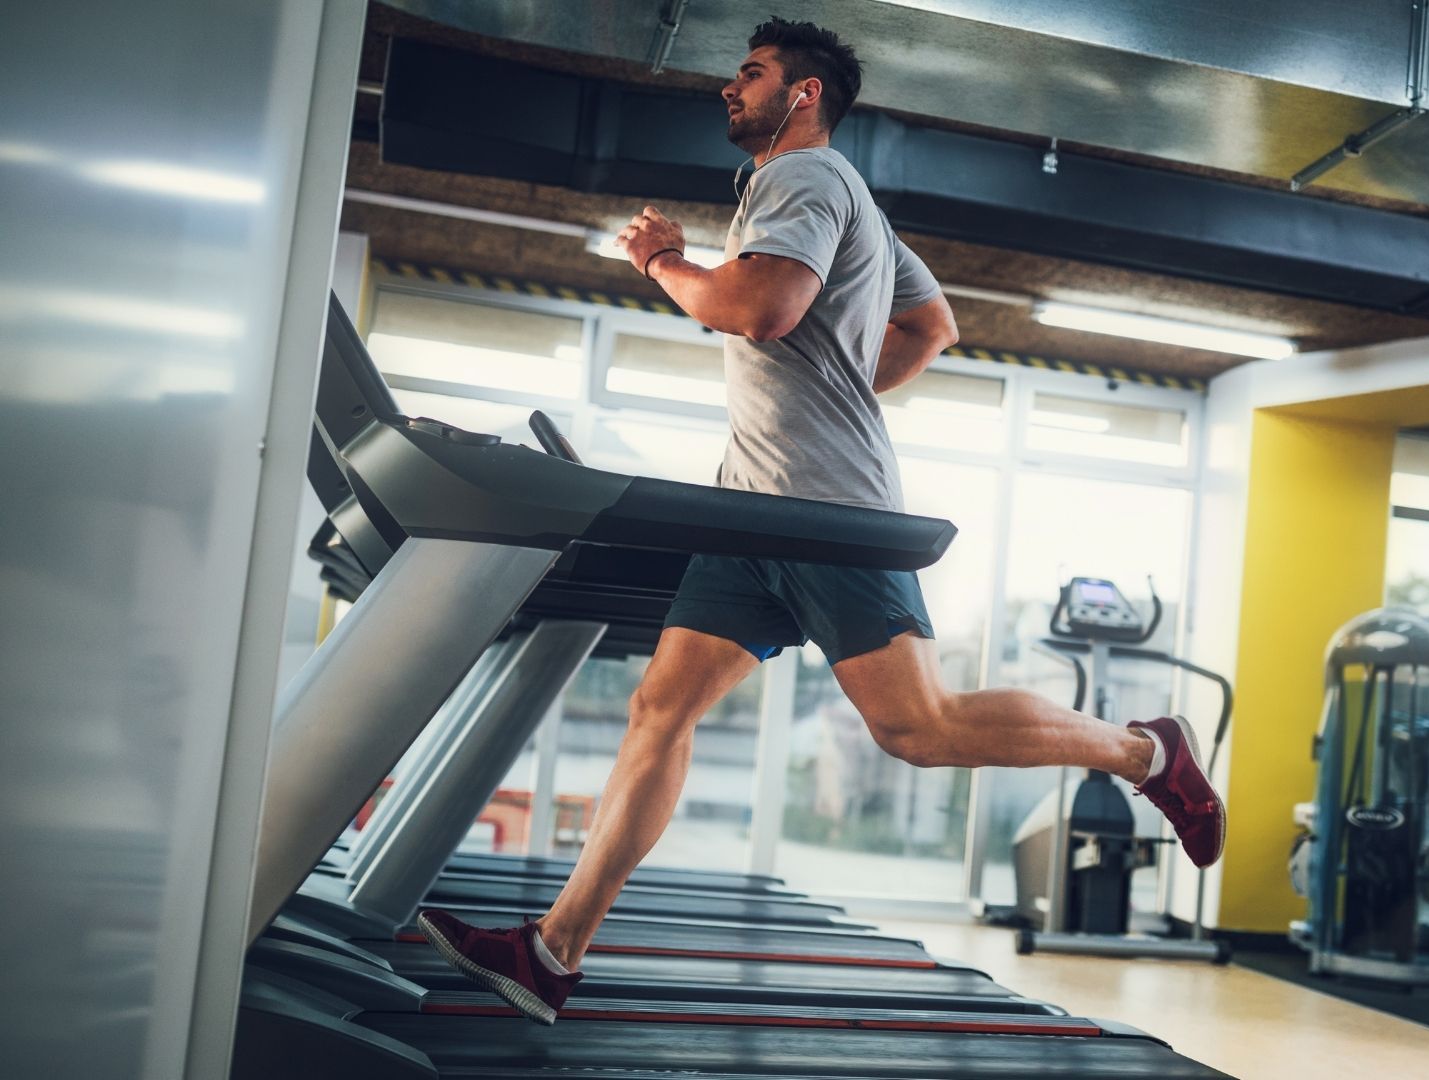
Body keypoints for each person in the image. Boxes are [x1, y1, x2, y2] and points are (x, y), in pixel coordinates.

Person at [417, 17, 1226, 1025]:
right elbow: (933, 325)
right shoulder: (851, 207)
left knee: (919, 731)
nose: (731, 88)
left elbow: (758, 309)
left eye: (750, 74)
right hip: (751, 513)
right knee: (659, 709)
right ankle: (552, 953)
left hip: (827, 514)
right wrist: (845, 386)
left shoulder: (807, 180)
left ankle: (1148, 753)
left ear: (802, 96)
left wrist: (664, 261)